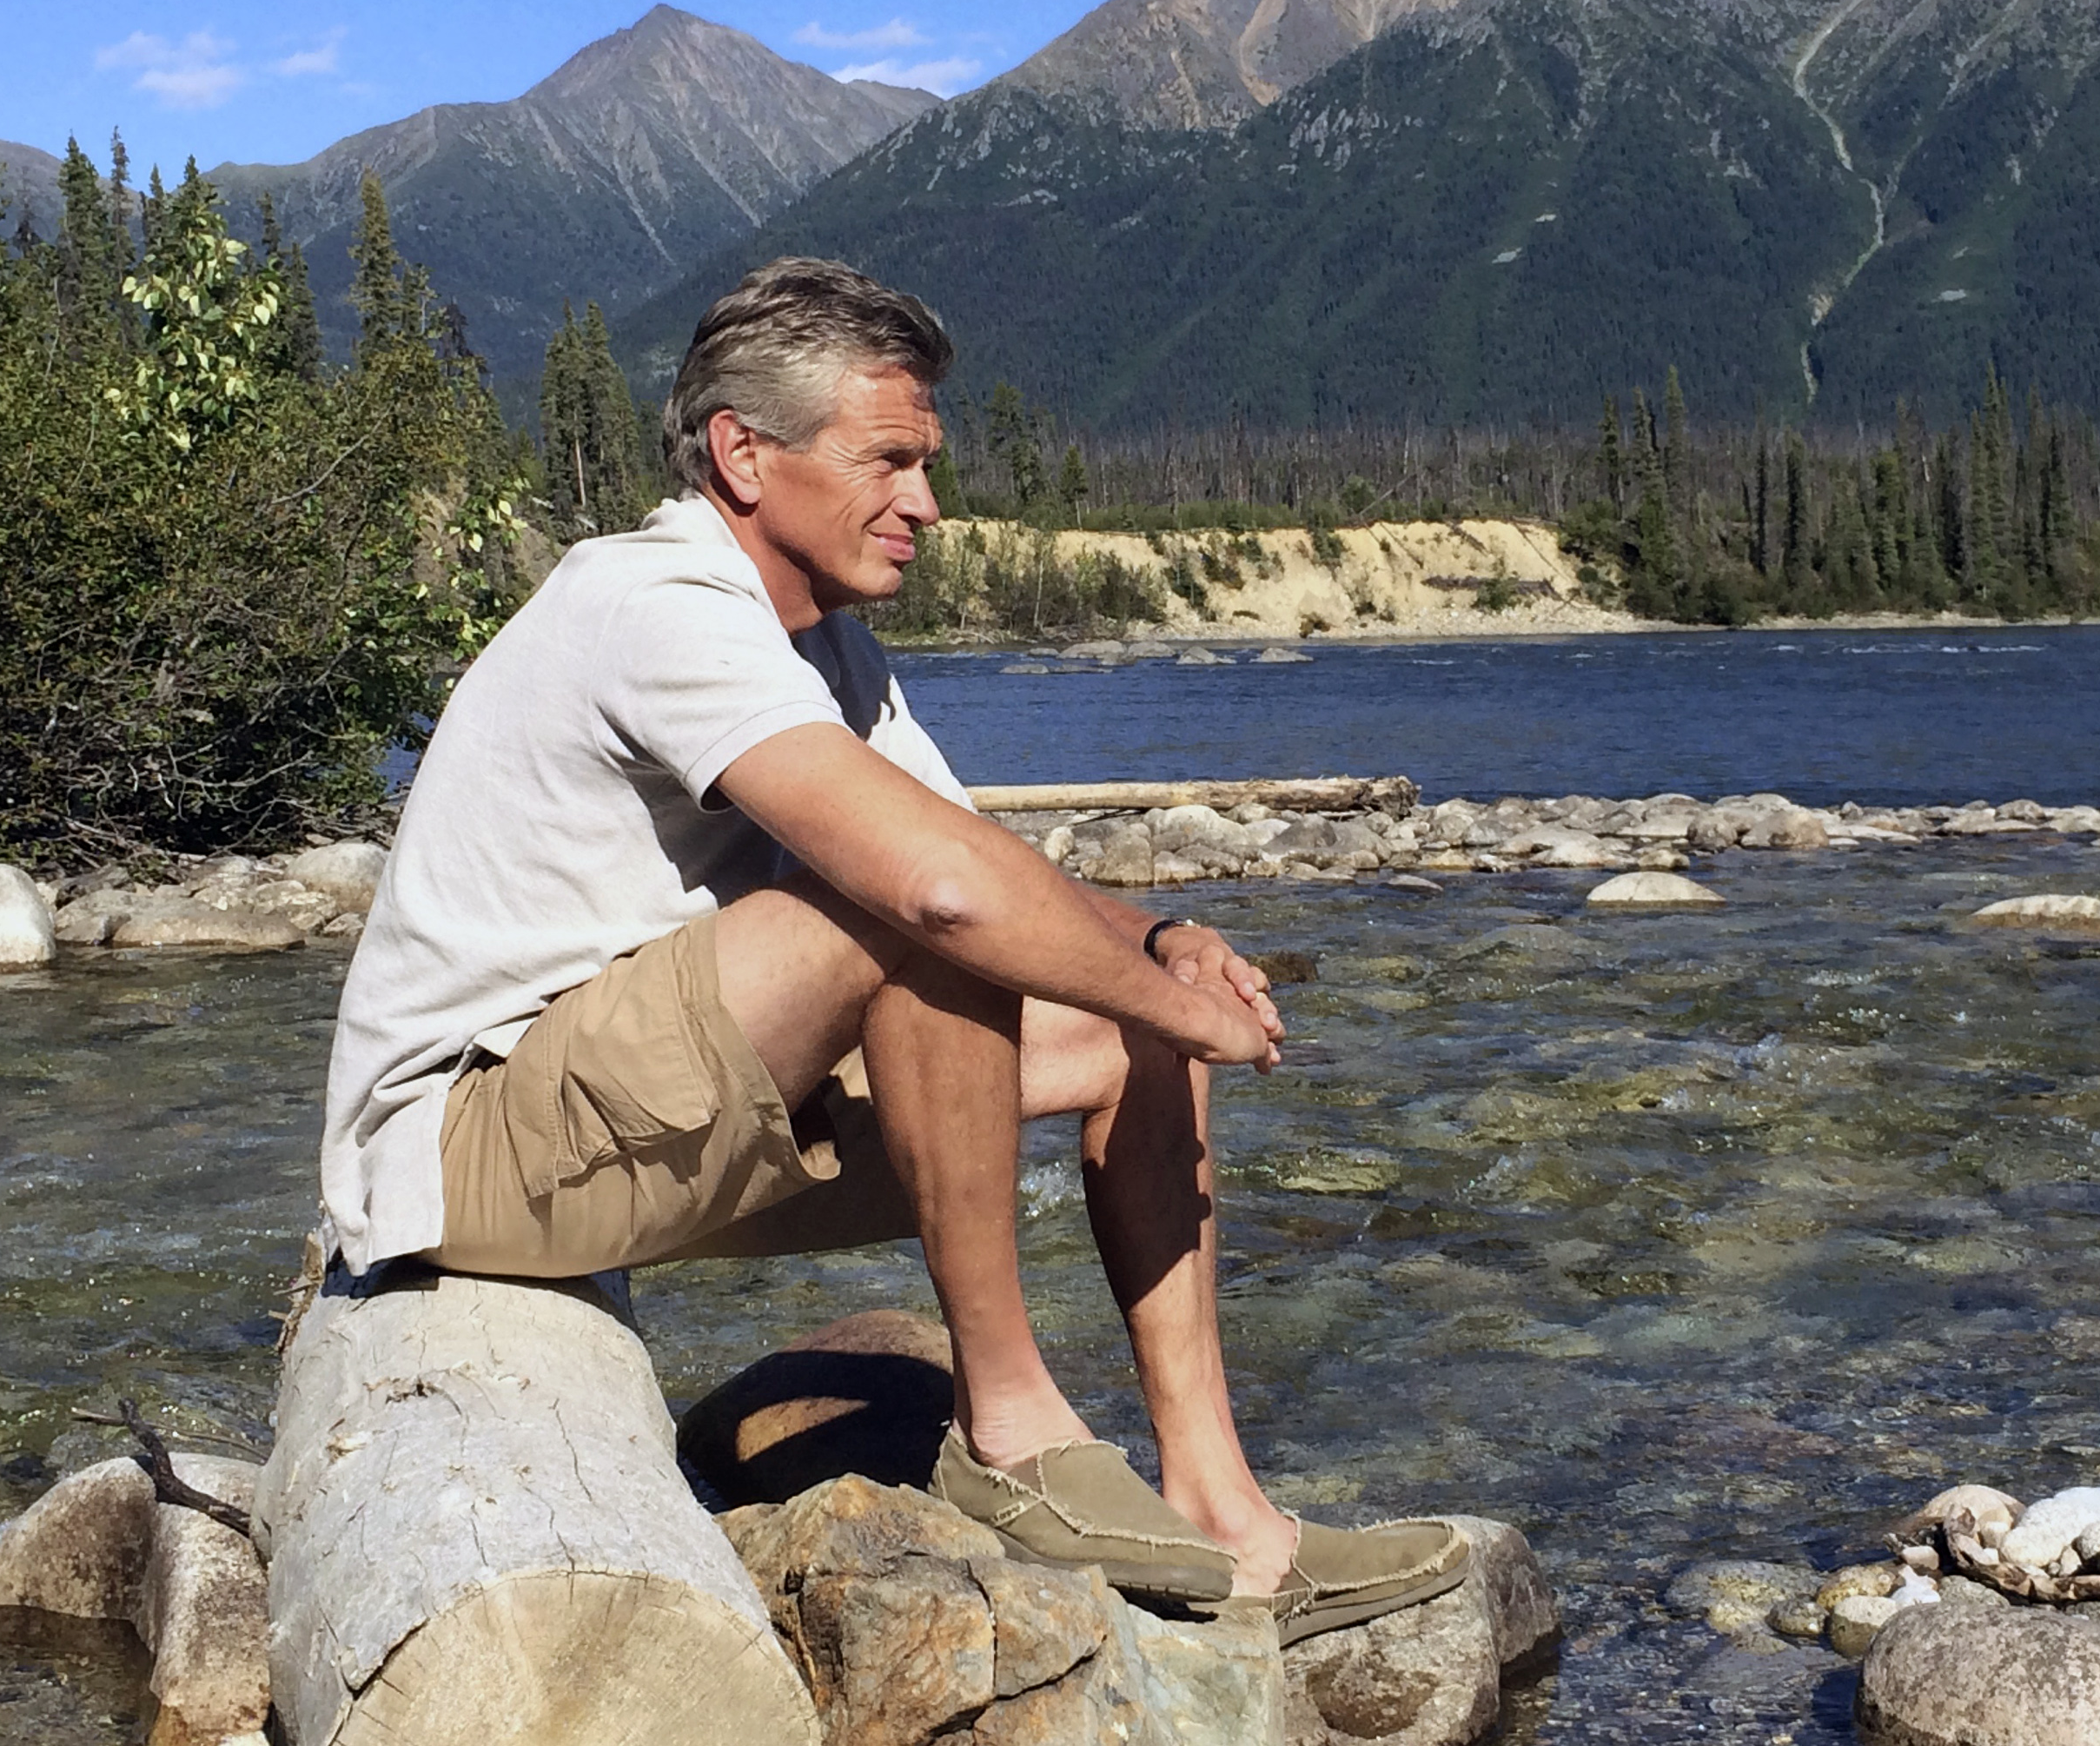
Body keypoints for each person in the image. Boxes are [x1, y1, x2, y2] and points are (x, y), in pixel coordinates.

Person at [320, 256, 1466, 1641]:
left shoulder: (832, 647)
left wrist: (1163, 950)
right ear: (743, 454)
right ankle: (1014, 1430)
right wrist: (1153, 974)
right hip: (470, 1147)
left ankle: (1228, 1509)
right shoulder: (654, 602)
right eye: (889, 460)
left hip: (654, 1120)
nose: (928, 501)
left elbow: (989, 862)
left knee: (1122, 1025)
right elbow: (934, 888)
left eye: (928, 463)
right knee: (908, 910)